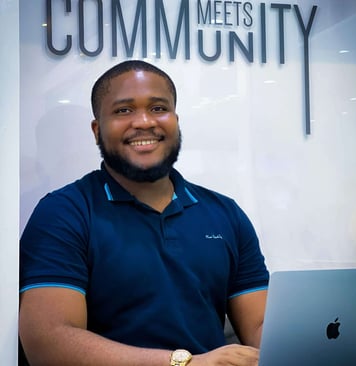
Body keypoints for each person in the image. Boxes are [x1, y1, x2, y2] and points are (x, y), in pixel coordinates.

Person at [19, 60, 269, 366]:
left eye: (158, 108)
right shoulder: (64, 213)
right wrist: (186, 364)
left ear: (175, 120)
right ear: (97, 130)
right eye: (124, 110)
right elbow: (48, 341)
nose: (144, 121)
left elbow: (259, 326)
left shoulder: (225, 214)